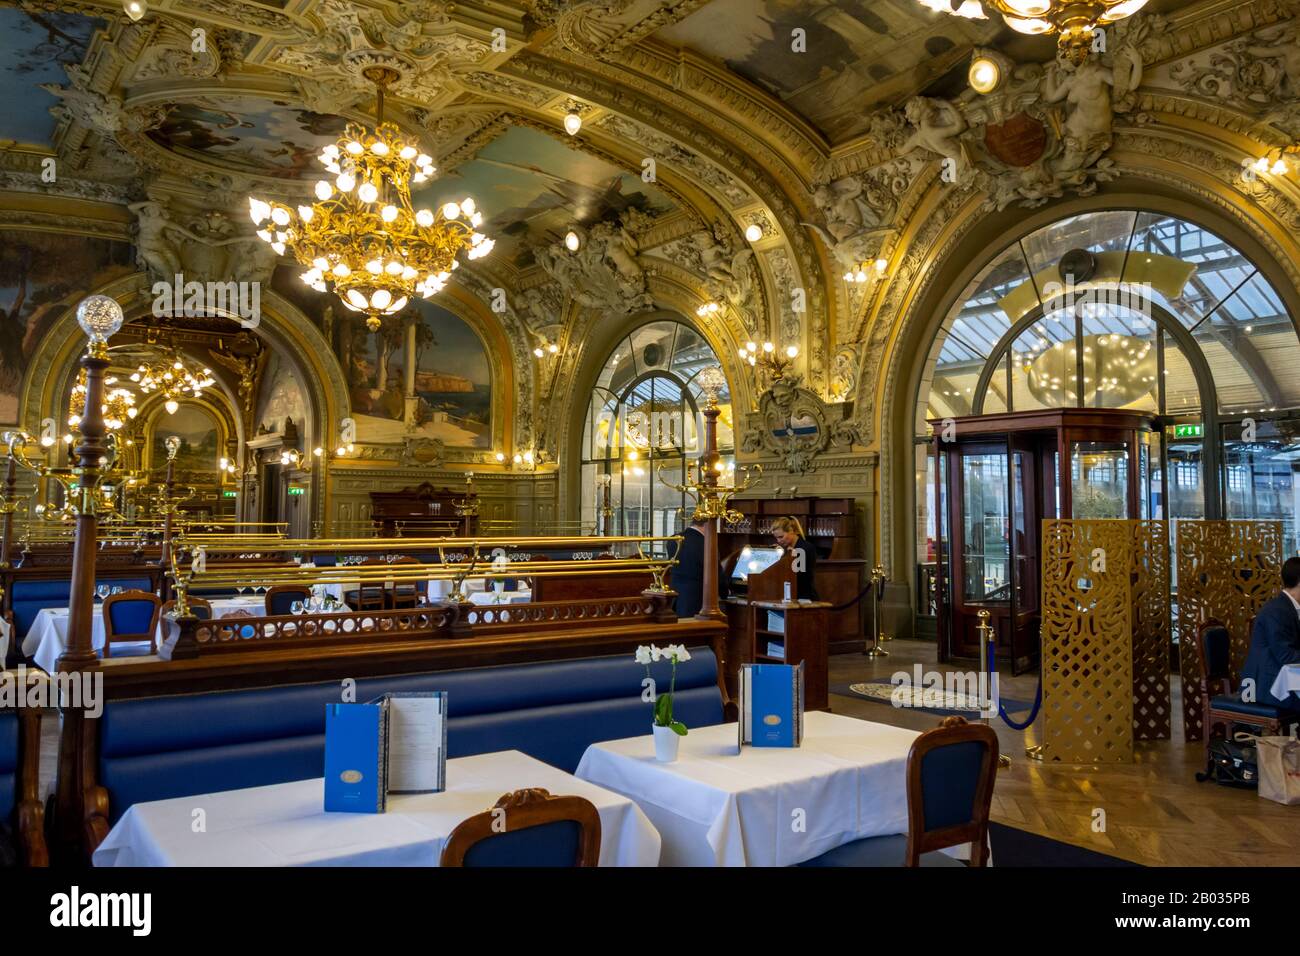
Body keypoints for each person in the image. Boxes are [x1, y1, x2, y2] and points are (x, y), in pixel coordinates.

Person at [1241, 555, 1300, 715]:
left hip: (1281, 679)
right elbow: (1285, 655)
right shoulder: (1277, 610)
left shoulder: (1289, 607)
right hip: (1265, 685)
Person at [672, 516, 720, 618]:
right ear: (707, 525)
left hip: (676, 598)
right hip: (698, 600)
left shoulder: (674, 539)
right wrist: (726, 591)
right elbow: (715, 571)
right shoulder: (707, 543)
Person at [771, 516, 819, 601]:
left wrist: (790, 556)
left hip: (804, 598)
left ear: (791, 531)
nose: (778, 541)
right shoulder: (788, 549)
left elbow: (800, 577)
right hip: (791, 596)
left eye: (781, 537)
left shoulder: (804, 548)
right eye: (776, 538)